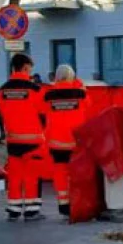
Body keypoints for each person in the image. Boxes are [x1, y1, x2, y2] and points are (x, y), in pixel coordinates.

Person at [0, 53, 48, 221]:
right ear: (25, 67)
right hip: (33, 140)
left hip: (13, 140)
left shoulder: (3, 90)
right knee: (32, 175)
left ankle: (14, 209)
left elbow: (1, 112)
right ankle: (32, 210)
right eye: (29, 69)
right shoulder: (35, 90)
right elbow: (43, 114)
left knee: (15, 175)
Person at [42, 64, 87, 217]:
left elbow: (43, 112)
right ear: (71, 76)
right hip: (76, 142)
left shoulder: (48, 95)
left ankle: (63, 203)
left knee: (60, 172)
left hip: (56, 142)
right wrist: (79, 85)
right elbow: (89, 107)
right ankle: (77, 201)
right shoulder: (81, 94)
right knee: (76, 172)